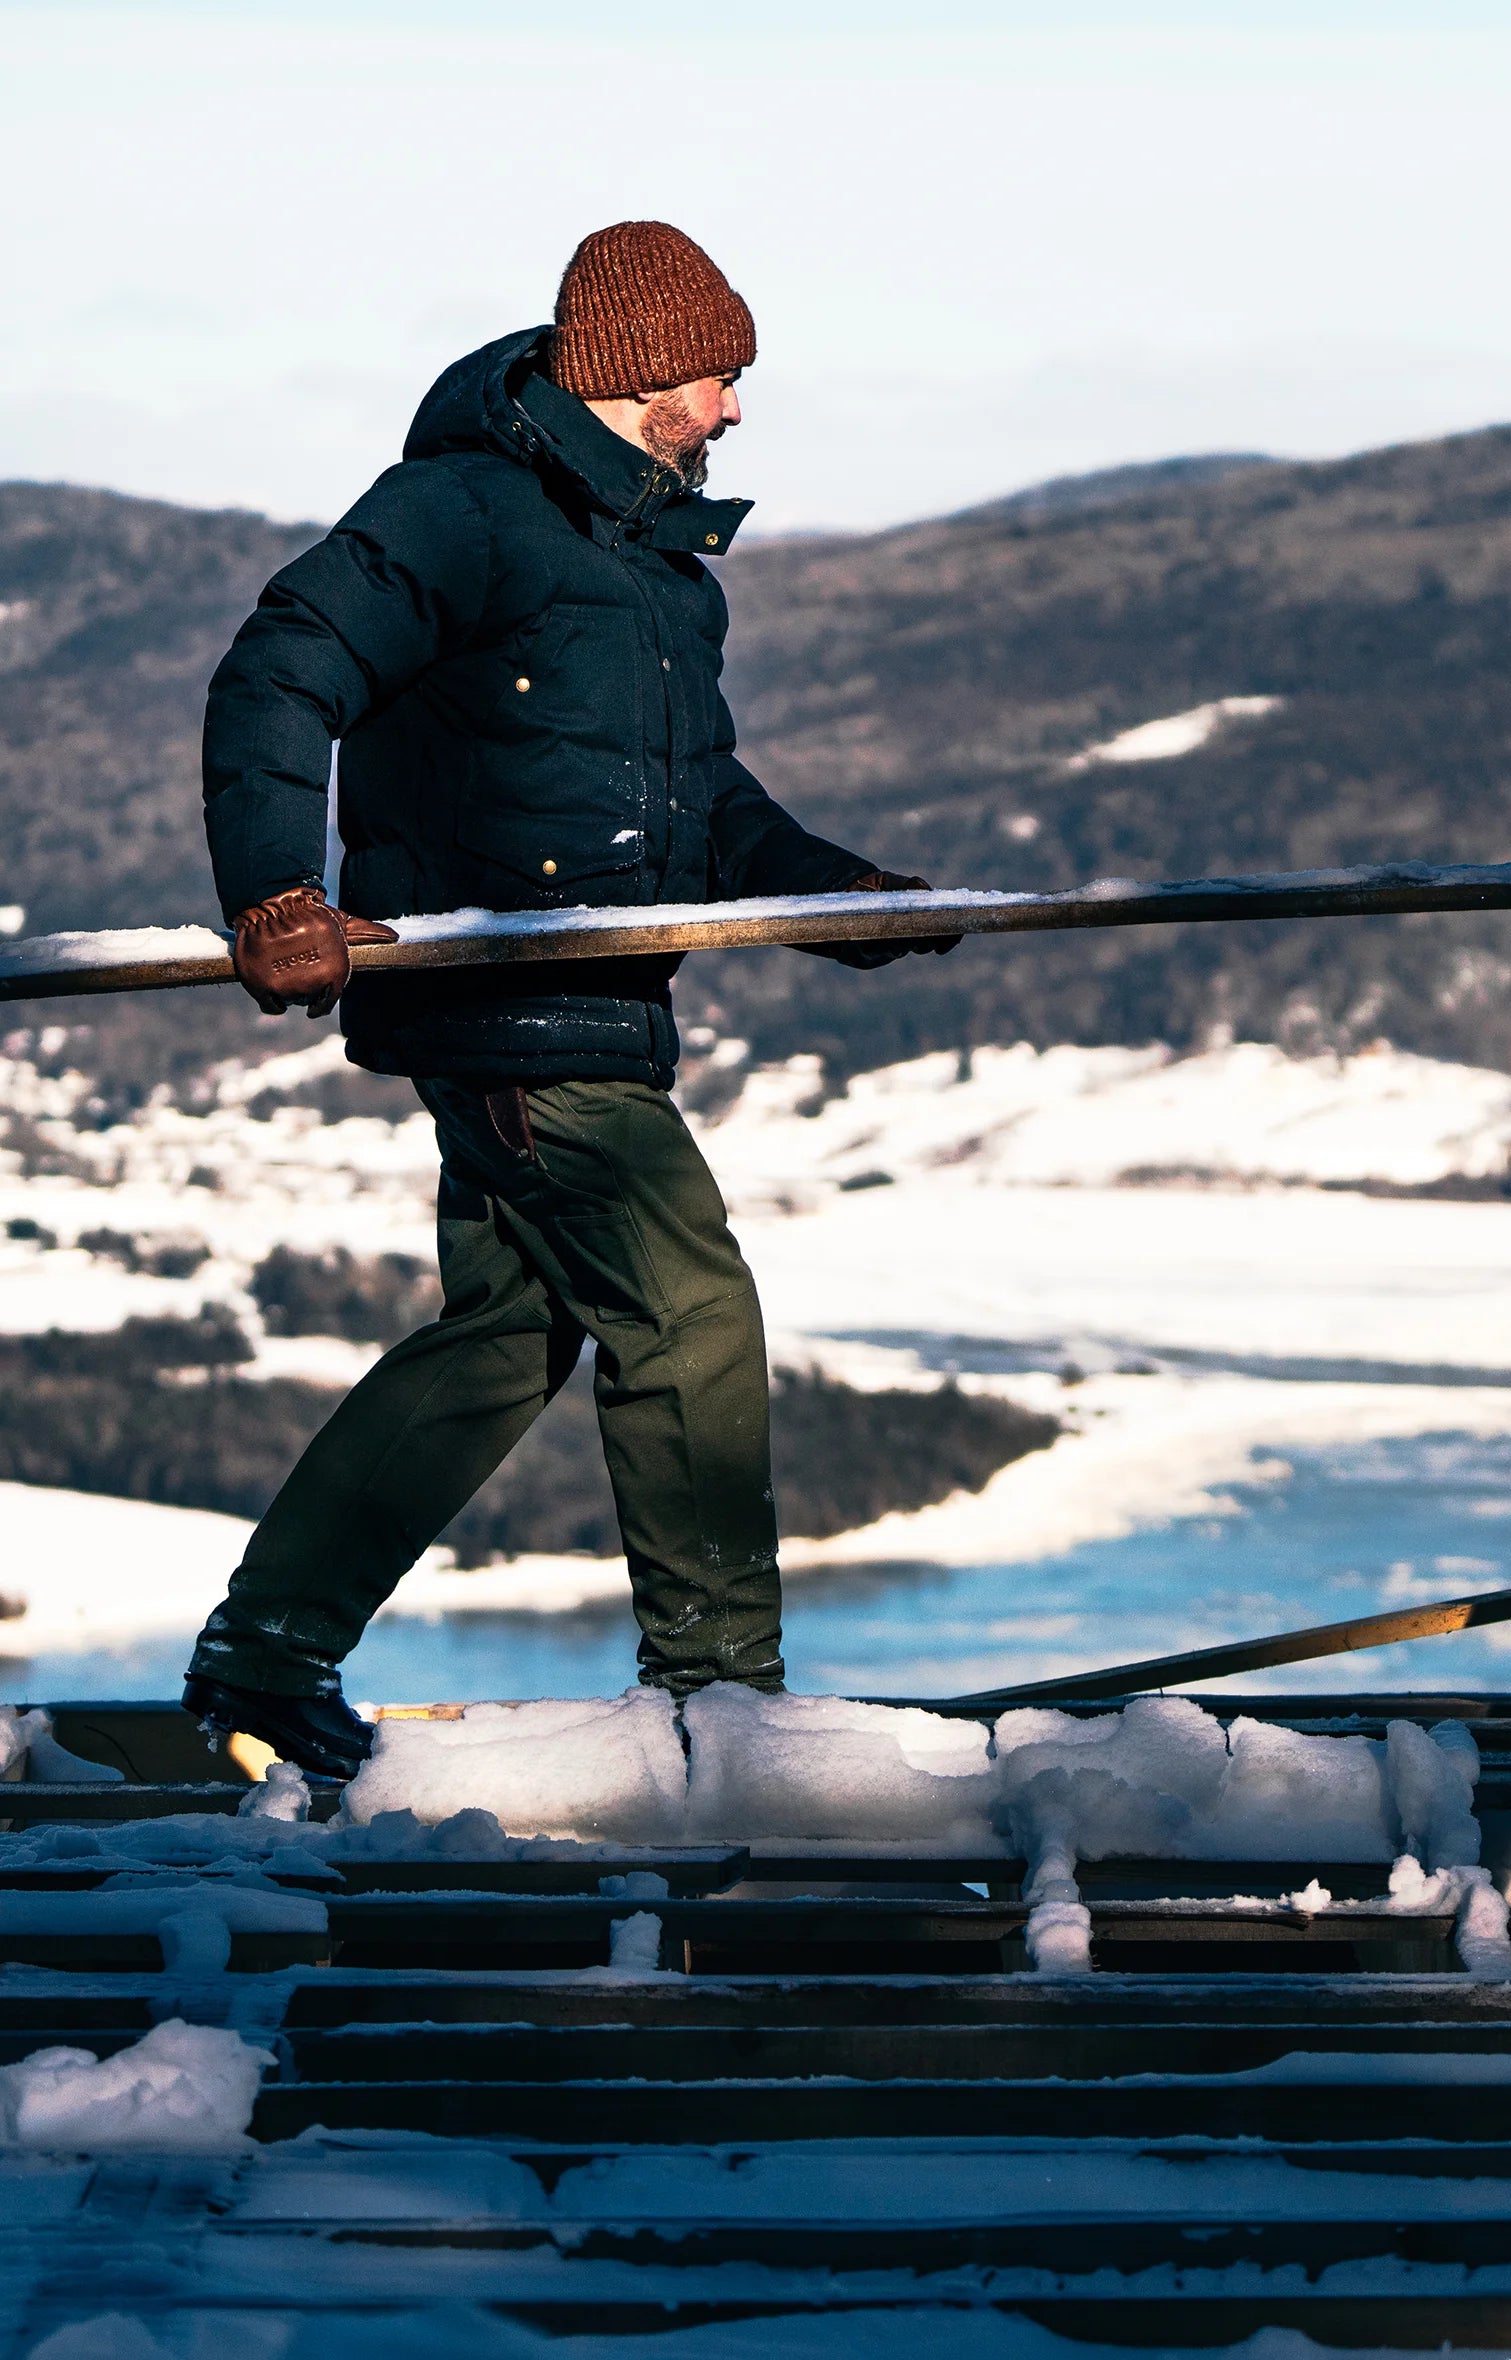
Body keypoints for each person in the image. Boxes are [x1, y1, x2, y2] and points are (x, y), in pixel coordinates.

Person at [182, 220, 955, 1778]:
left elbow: (706, 806)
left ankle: (267, 1656)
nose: (736, 408)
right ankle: (719, 1705)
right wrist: (273, 890)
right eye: (720, 375)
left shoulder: (661, 572)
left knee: (502, 1335)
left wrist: (837, 897)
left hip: (594, 1002)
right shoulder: (462, 513)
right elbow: (281, 672)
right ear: (634, 369)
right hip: (509, 1002)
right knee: (689, 1310)